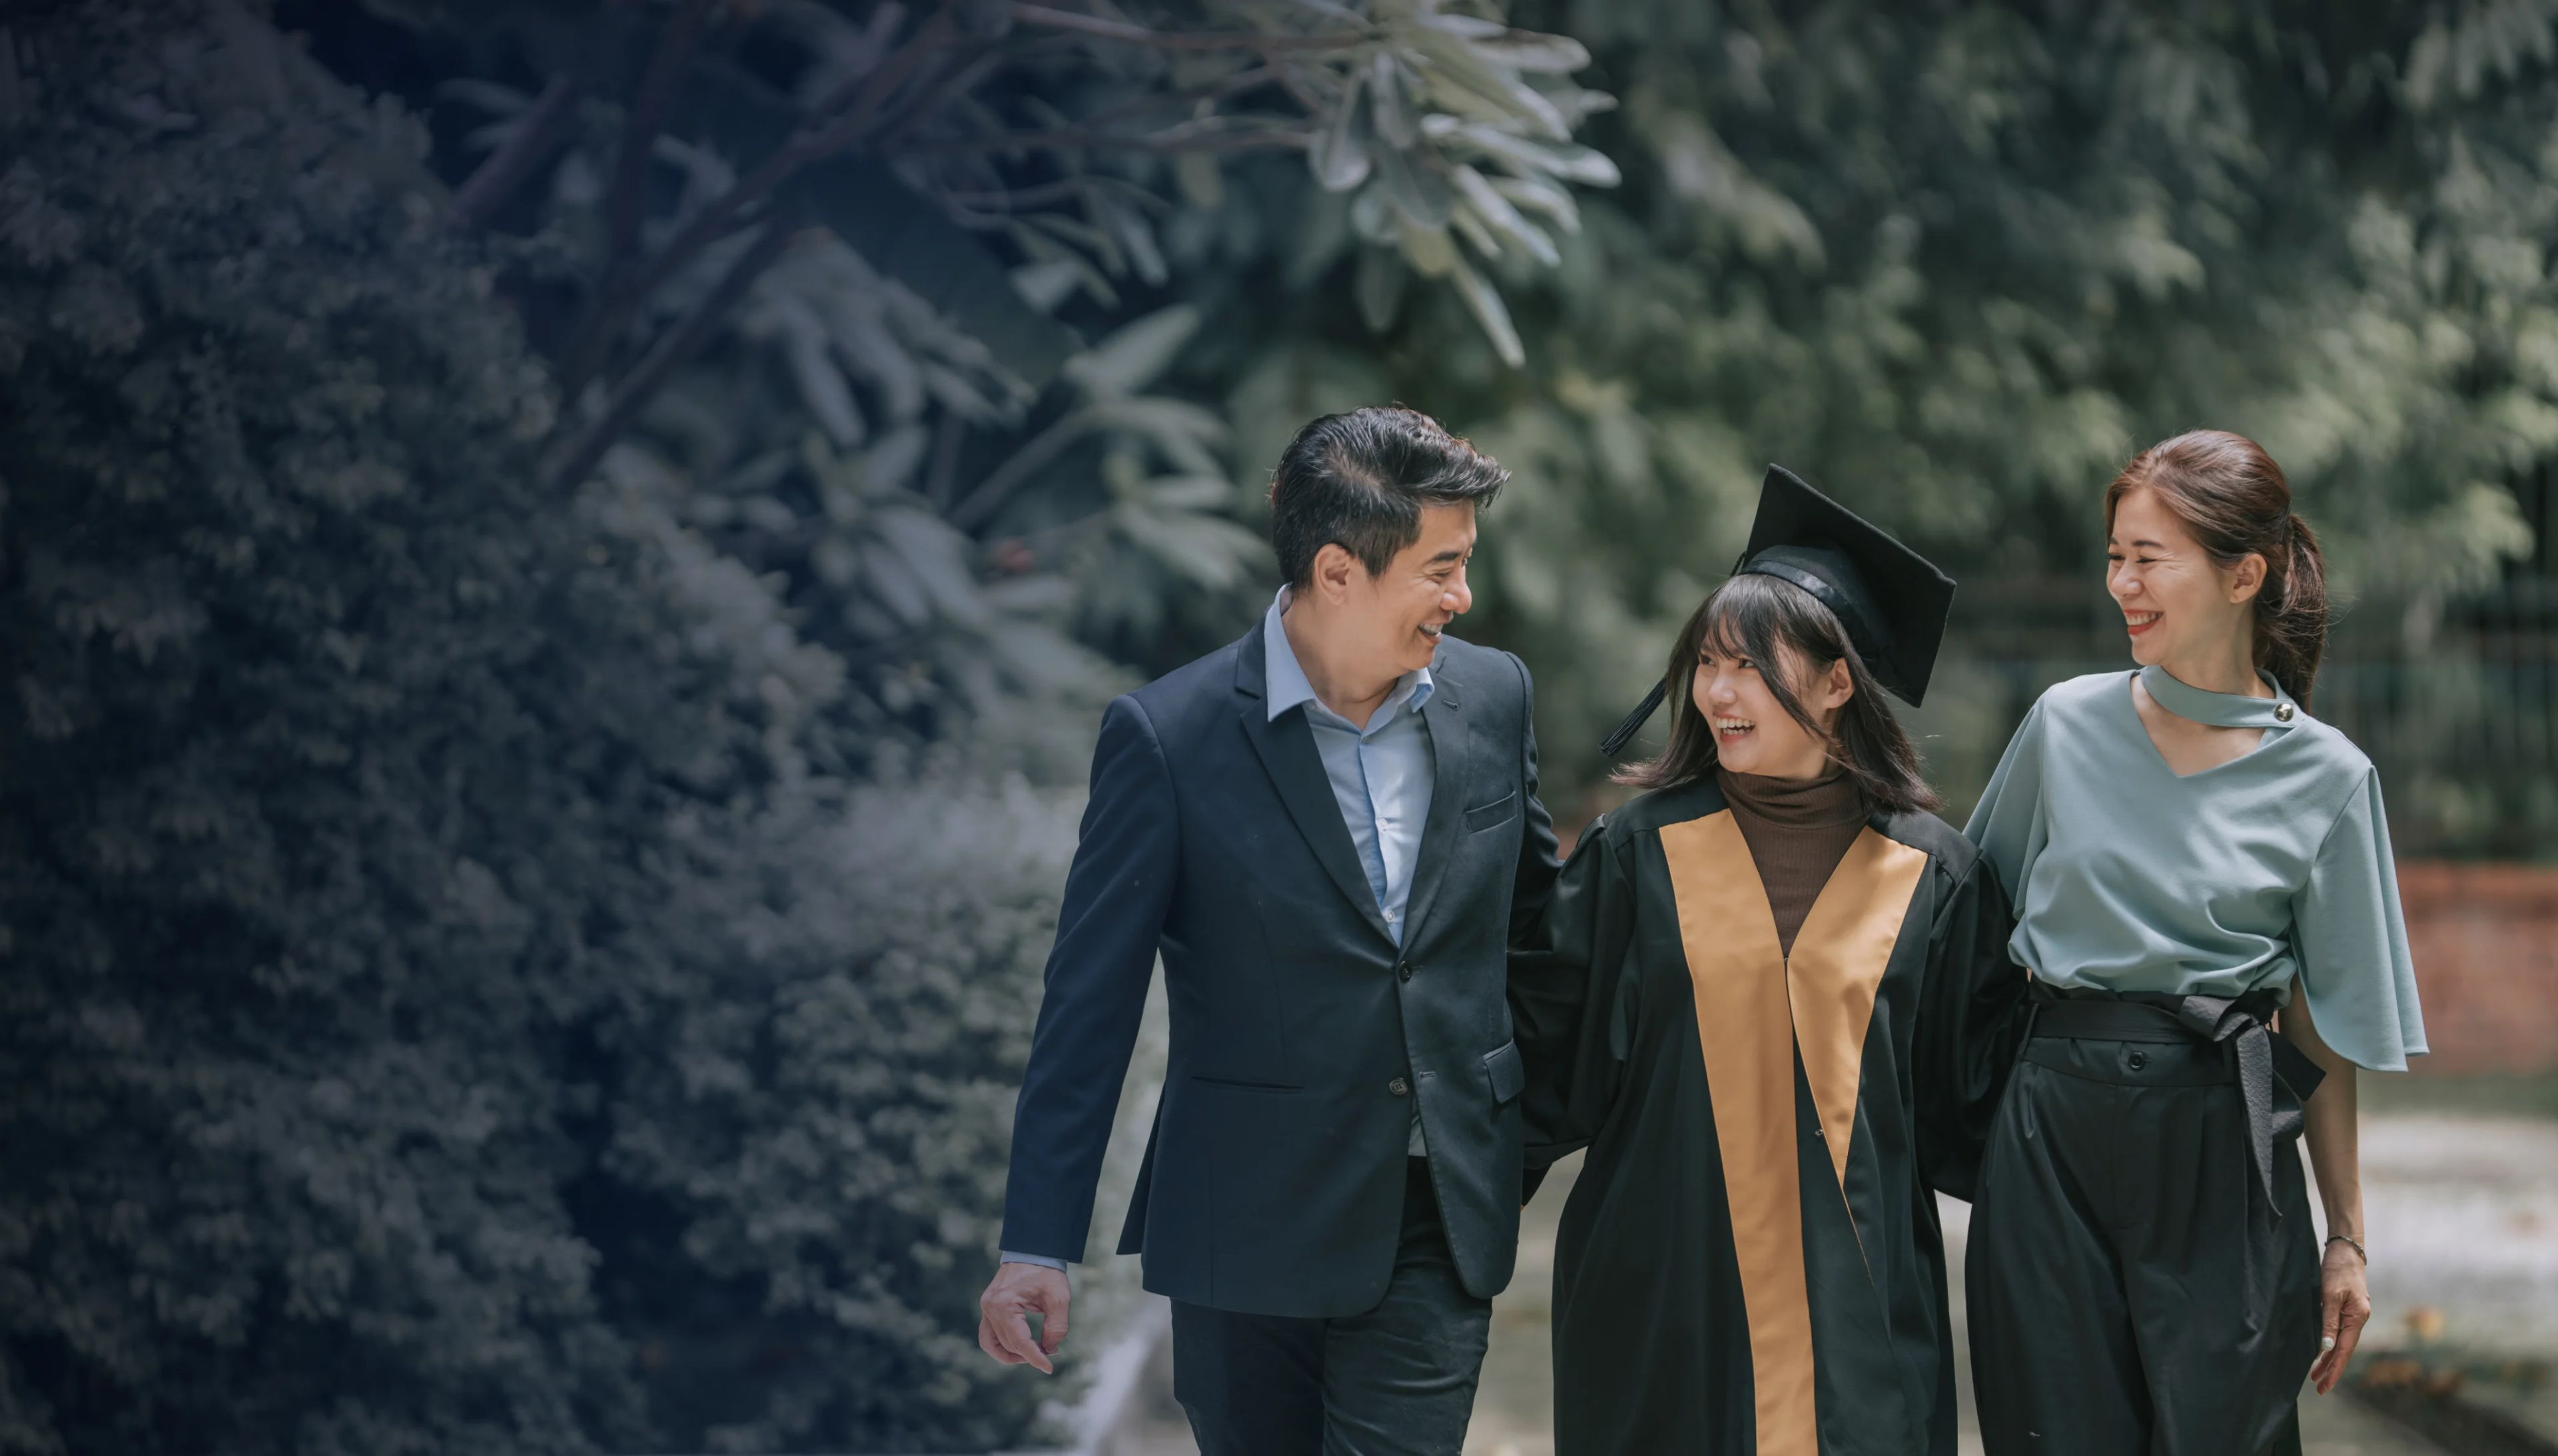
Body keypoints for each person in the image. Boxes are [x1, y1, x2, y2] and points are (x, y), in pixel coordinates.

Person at [976, 406, 1561, 1456]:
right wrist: (1035, 1244)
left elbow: (1537, 938)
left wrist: (1516, 1127)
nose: (1461, 597)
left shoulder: (1496, 696)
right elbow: (1088, 1006)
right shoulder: (1166, 738)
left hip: (1437, 1212)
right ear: (1339, 571)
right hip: (1240, 1226)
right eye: (1440, 567)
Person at [1511, 465, 2029, 1456]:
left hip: (1861, 1322)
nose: (1718, 691)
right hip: (1661, 1306)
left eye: (1751, 665)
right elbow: (1545, 1059)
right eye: (1707, 661)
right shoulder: (1637, 853)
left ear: (1840, 683)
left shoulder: (1935, 874)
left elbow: (1976, 1109)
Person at [1962, 430, 2427, 1456]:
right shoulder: (2062, 724)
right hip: (2050, 1136)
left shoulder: (2330, 776)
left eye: (2147, 557)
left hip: (2225, 1136)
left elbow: (2320, 1028)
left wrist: (2344, 1235)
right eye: (2115, 553)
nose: (2120, 581)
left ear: (2242, 574)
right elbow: (1967, 925)